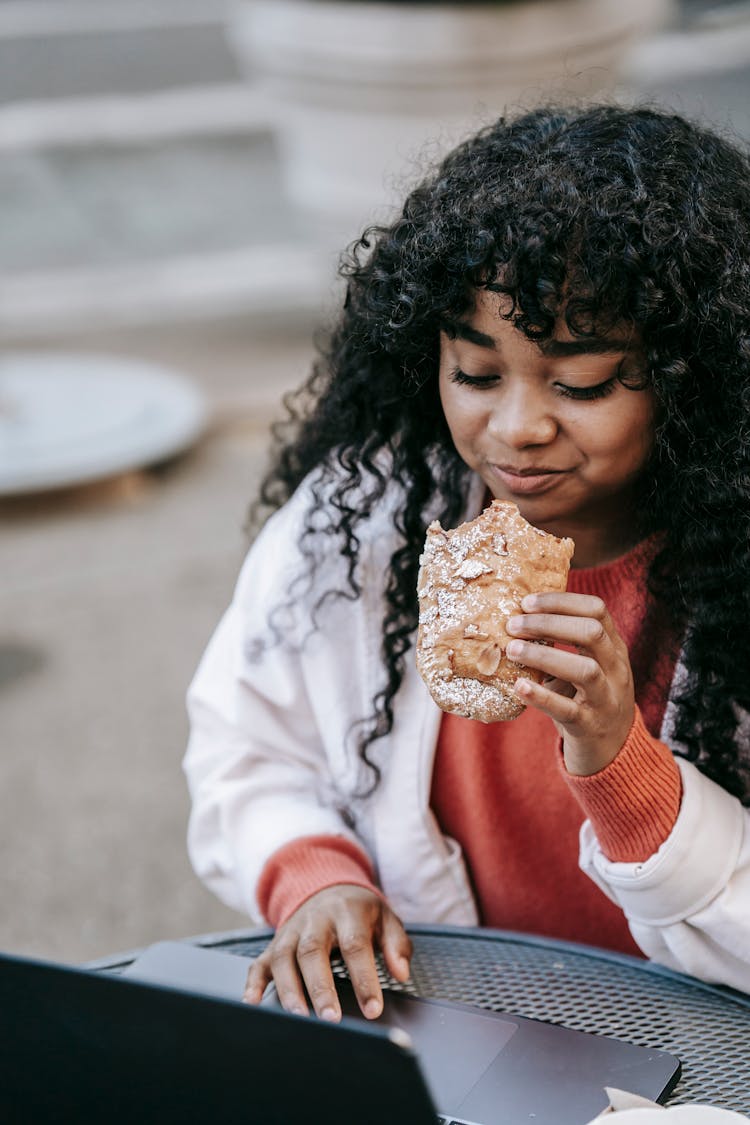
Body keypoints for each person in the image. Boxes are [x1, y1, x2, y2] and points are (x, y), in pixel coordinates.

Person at [183, 104, 750, 1023]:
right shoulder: (367, 519)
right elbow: (245, 746)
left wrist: (622, 763)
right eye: (478, 374)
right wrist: (312, 875)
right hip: (450, 1021)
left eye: (581, 383)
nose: (518, 428)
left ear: (694, 375)